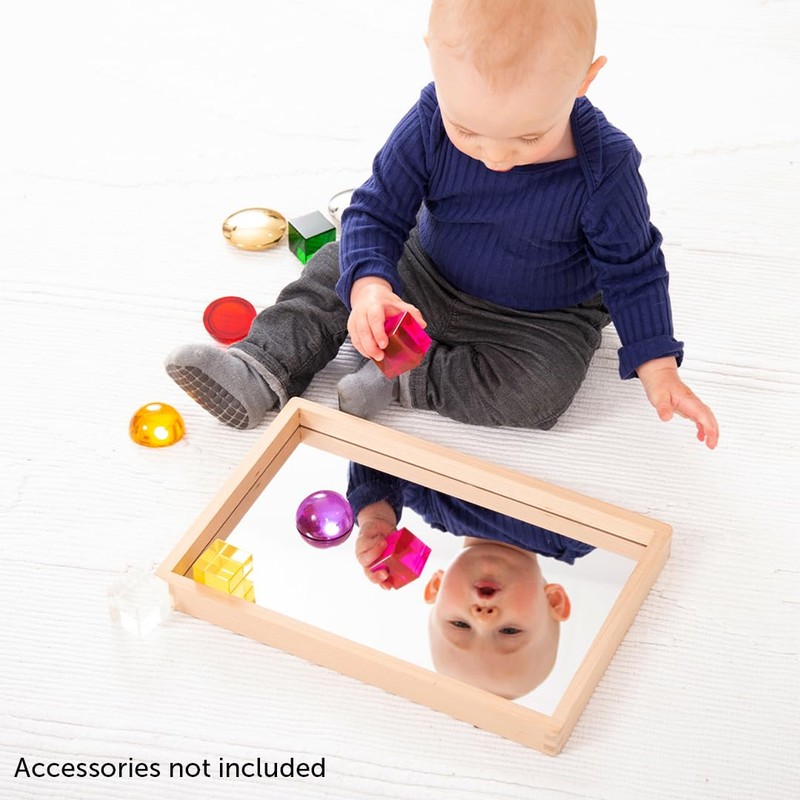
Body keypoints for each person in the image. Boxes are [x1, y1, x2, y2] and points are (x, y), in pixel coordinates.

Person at [165, 0, 719, 449]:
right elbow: (376, 209)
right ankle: (262, 366)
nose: (495, 156)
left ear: (585, 79)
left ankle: (406, 375)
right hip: (426, 267)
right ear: (433, 59)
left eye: (529, 136)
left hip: (540, 316)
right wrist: (371, 287)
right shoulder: (431, 116)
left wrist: (658, 366)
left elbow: (634, 271)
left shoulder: (607, 167)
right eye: (468, 130)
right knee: (336, 263)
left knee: (541, 390)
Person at [348, 461, 582, 699]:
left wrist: (376, 515)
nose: (482, 617)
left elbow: (376, 456)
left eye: (460, 624)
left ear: (437, 587)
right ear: (554, 601)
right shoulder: (575, 534)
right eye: (509, 631)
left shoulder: (433, 499)